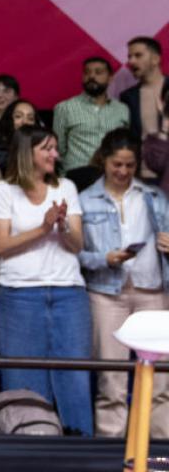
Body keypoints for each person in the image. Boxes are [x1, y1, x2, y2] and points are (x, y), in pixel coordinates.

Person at [0, 125, 92, 435]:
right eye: (47, 148)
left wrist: (62, 226)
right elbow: (1, 246)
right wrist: (43, 228)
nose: (55, 155)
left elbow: (77, 245)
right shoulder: (4, 190)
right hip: (19, 295)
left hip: (68, 294)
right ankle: (26, 447)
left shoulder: (67, 188)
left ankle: (81, 451)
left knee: (75, 377)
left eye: (55, 148)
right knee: (23, 377)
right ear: (26, 153)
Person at [78, 129, 169, 437]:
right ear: (104, 160)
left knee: (160, 382)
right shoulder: (85, 199)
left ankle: (159, 449)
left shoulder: (154, 196)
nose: (123, 171)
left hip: (152, 291)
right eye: (117, 164)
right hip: (106, 293)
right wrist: (105, 258)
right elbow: (75, 254)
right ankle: (110, 450)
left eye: (130, 165)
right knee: (111, 381)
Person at [53, 57, 129, 172]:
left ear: (110, 78)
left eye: (98, 72)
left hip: (112, 176)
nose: (92, 76)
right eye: (87, 72)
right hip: (76, 176)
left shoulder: (122, 109)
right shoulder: (64, 108)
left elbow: (125, 146)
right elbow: (58, 149)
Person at [121, 37, 168, 181]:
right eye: (129, 57)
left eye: (138, 55)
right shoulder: (128, 97)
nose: (131, 62)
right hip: (143, 177)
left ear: (155, 59)